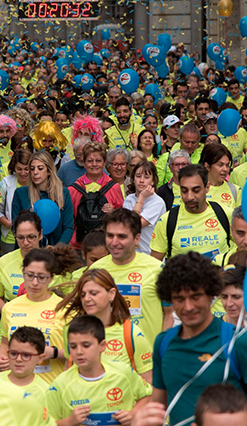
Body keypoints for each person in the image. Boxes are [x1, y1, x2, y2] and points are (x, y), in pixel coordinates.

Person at [152, 252, 247, 426]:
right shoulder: (163, 343)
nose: (188, 306)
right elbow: (157, 408)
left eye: (195, 297)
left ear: (211, 294)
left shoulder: (239, 342)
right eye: (179, 299)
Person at [47, 315, 151, 426]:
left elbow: (148, 396)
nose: (79, 351)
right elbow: (44, 423)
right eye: (73, 346)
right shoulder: (60, 384)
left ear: (102, 346)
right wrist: (69, 421)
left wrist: (133, 414)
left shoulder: (123, 373)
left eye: (86, 345)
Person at [57, 268, 154, 382]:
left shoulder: (131, 333)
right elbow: (68, 369)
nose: (87, 299)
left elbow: (148, 384)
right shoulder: (71, 329)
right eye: (83, 294)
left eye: (94, 293)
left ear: (111, 294)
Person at [90, 209, 167, 346]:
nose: (114, 242)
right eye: (110, 236)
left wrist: (162, 350)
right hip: (107, 358)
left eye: (121, 237)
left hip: (147, 359)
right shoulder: (95, 270)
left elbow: (170, 314)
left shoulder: (157, 269)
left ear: (137, 238)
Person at [0, 249, 66, 384]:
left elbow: (79, 353)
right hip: (17, 387)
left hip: (51, 386)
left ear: (51, 277)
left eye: (41, 277)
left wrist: (54, 352)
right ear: (23, 274)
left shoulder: (65, 309)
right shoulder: (10, 308)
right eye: (30, 275)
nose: (34, 283)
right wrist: (1, 359)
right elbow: (5, 343)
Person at [150, 165, 231, 265]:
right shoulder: (167, 220)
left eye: (196, 190)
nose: (189, 197)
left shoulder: (225, 213)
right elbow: (153, 265)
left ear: (207, 187)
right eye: (184, 191)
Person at [13, 150, 75, 246]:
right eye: (32, 169)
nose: (35, 172)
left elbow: (68, 227)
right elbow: (16, 226)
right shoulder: (20, 193)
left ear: (49, 171)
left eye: (40, 168)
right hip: (27, 251)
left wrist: (57, 249)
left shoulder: (63, 193)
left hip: (56, 253)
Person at [69, 142, 124, 247]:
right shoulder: (73, 189)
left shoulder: (114, 187)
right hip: (79, 246)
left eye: (98, 161)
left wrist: (113, 211)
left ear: (104, 163)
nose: (94, 164)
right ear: (84, 163)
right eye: (90, 161)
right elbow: (69, 220)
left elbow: (122, 217)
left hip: (107, 245)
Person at [0, 211, 43, 313]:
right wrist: (11, 313)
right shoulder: (3, 263)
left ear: (40, 235)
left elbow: (66, 298)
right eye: (20, 237)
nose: (26, 243)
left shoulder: (55, 263)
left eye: (31, 237)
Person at [0, 326, 50, 405]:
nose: (18, 359)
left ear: (40, 358)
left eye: (26, 355)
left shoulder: (46, 392)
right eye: (14, 354)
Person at [124, 161, 166, 255]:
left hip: (150, 254)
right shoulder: (129, 199)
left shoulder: (157, 202)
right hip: (131, 253)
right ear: (133, 179)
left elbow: (134, 225)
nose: (141, 180)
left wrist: (141, 197)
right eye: (138, 176)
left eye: (146, 177)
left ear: (153, 181)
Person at [0, 149, 31, 253]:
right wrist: (10, 225)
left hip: (32, 238)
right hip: (10, 238)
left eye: (27, 169)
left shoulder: (37, 183)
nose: (23, 173)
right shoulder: (6, 183)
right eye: (19, 169)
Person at [202, 143, 240, 209]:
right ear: (207, 166)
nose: (225, 169)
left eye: (227, 165)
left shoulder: (235, 190)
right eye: (220, 165)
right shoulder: (198, 190)